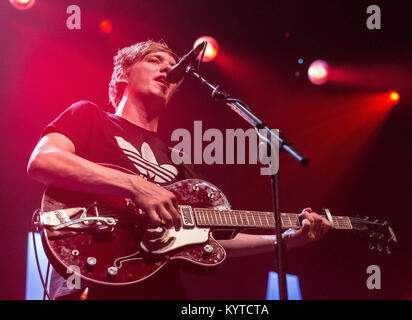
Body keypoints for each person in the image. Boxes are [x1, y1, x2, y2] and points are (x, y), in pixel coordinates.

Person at [27, 39, 331, 299]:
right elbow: (43, 160)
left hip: (161, 290)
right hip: (95, 279)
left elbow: (213, 235)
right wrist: (136, 186)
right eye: (154, 60)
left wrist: (286, 239)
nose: (167, 70)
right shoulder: (90, 116)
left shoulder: (178, 161)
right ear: (122, 76)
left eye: (173, 67)